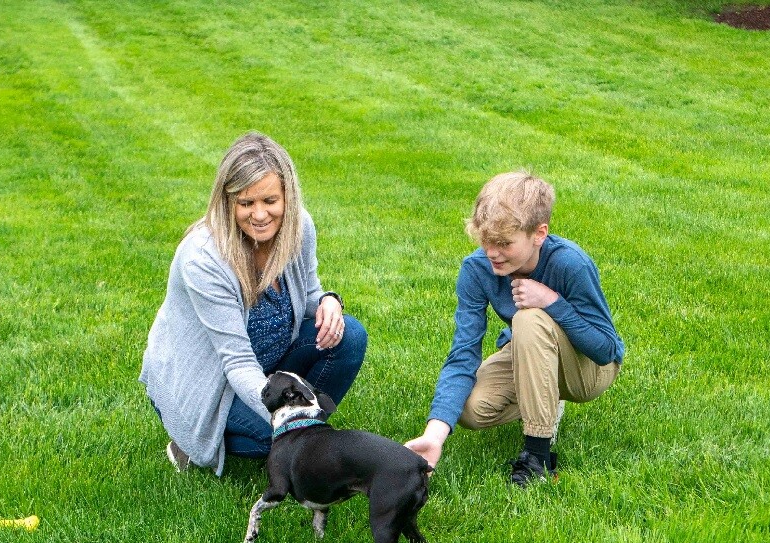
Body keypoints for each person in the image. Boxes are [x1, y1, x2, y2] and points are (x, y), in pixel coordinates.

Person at [140, 132, 366, 475]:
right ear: (227, 202)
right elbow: (236, 362)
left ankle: (301, 434)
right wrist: (289, 417)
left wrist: (329, 302)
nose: (260, 214)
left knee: (349, 335)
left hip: (266, 366)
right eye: (246, 203)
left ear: (287, 195)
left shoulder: (298, 227)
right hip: (213, 382)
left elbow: (308, 296)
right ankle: (190, 441)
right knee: (269, 437)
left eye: (270, 201)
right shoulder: (203, 260)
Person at [405, 171, 623, 486]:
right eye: (486, 241)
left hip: (587, 370)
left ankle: (538, 458)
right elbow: (463, 353)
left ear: (539, 233)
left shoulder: (570, 264)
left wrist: (552, 302)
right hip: (528, 351)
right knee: (470, 409)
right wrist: (435, 433)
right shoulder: (476, 269)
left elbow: (606, 350)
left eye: (504, 243)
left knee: (529, 318)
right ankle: (545, 400)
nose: (492, 252)